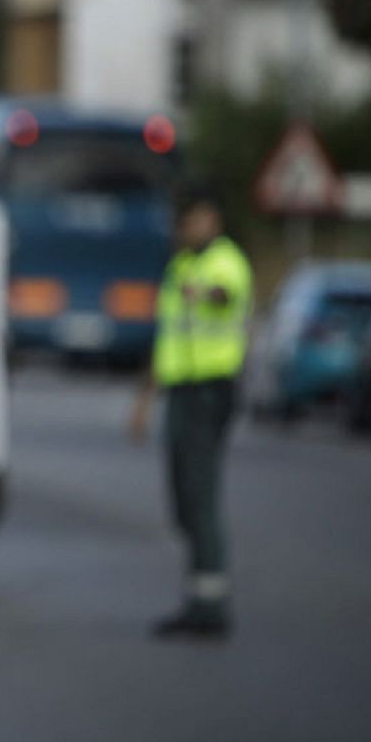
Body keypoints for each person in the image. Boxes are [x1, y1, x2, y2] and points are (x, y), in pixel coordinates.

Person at [128, 181, 254, 639]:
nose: (188, 227)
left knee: (200, 496)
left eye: (196, 219)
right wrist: (144, 400)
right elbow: (168, 339)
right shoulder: (180, 266)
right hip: (180, 391)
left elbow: (224, 294)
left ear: (213, 221)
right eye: (184, 220)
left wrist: (204, 292)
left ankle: (210, 605)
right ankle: (199, 595)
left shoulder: (224, 262)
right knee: (184, 498)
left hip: (210, 391)